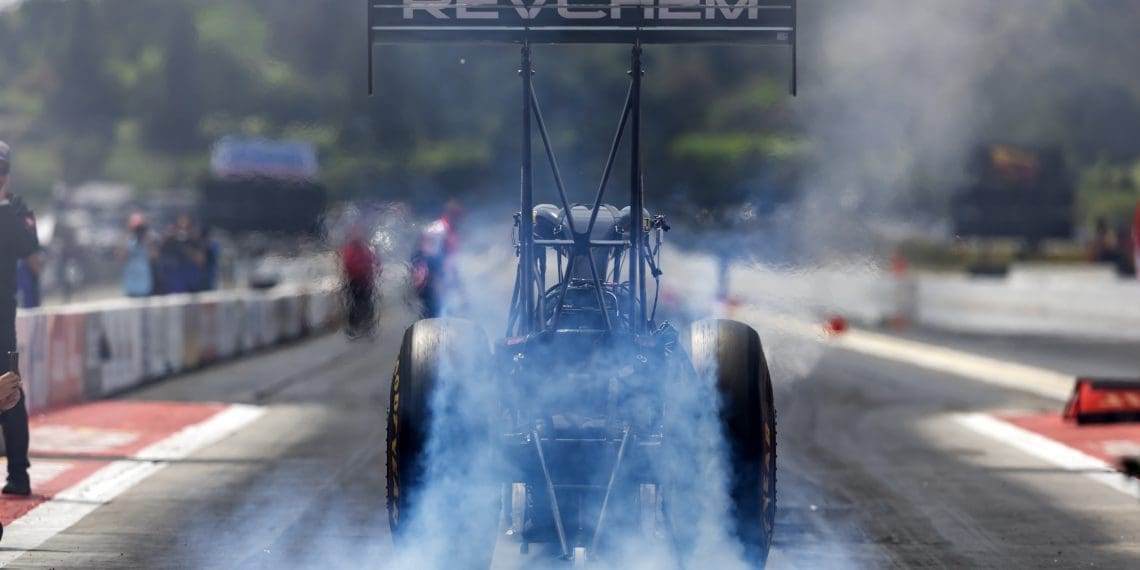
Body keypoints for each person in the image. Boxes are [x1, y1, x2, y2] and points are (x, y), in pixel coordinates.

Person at [0, 141, 38, 495]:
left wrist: (3, 204)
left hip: (1, 311)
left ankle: (18, 473)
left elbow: (30, 250)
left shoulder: (17, 208)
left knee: (9, 388)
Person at [411, 201, 464, 318]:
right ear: (451, 215)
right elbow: (427, 257)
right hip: (432, 282)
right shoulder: (438, 230)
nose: (460, 221)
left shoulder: (451, 231)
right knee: (432, 316)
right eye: (458, 216)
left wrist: (459, 287)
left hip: (443, 281)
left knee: (445, 315)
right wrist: (436, 283)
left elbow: (451, 261)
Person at [339, 224, 379, 337]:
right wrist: (363, 270)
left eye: (360, 232)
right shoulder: (350, 248)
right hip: (354, 281)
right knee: (355, 305)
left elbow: (374, 260)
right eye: (356, 232)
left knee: (368, 304)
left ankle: (368, 326)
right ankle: (355, 326)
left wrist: (372, 271)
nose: (358, 234)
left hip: (366, 280)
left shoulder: (366, 247)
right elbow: (348, 264)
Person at [121, 213, 154, 297]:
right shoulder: (128, 240)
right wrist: (127, 236)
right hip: (130, 284)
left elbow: (153, 258)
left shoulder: (148, 239)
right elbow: (120, 258)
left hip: (145, 284)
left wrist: (145, 238)